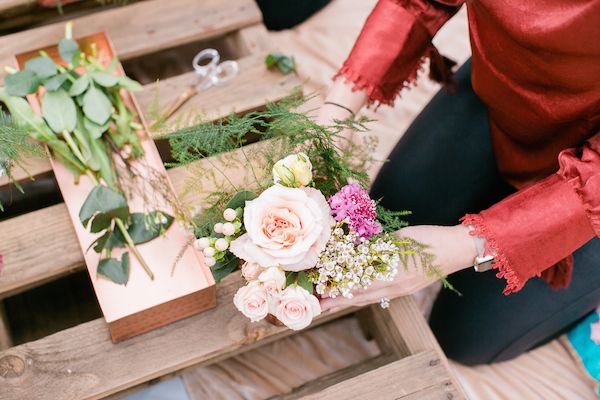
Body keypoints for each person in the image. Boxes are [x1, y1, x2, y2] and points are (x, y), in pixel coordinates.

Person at [318, 0, 600, 365]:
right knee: (384, 216)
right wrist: (334, 118)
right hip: (505, 93)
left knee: (463, 339)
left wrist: (462, 246)